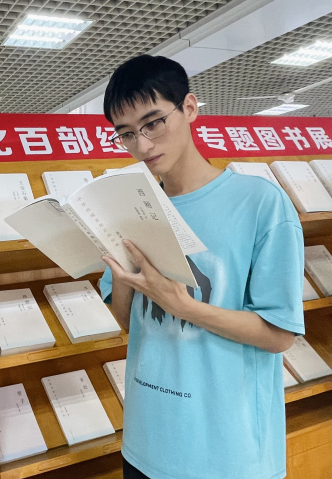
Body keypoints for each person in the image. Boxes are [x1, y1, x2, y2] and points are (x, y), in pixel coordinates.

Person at [99, 55, 304, 479]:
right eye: (127, 134)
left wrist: (185, 307)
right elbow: (130, 323)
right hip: (145, 443)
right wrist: (122, 273)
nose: (142, 145)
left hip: (226, 455)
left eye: (153, 123)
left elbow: (279, 335)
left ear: (189, 108)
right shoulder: (134, 206)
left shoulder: (259, 203)